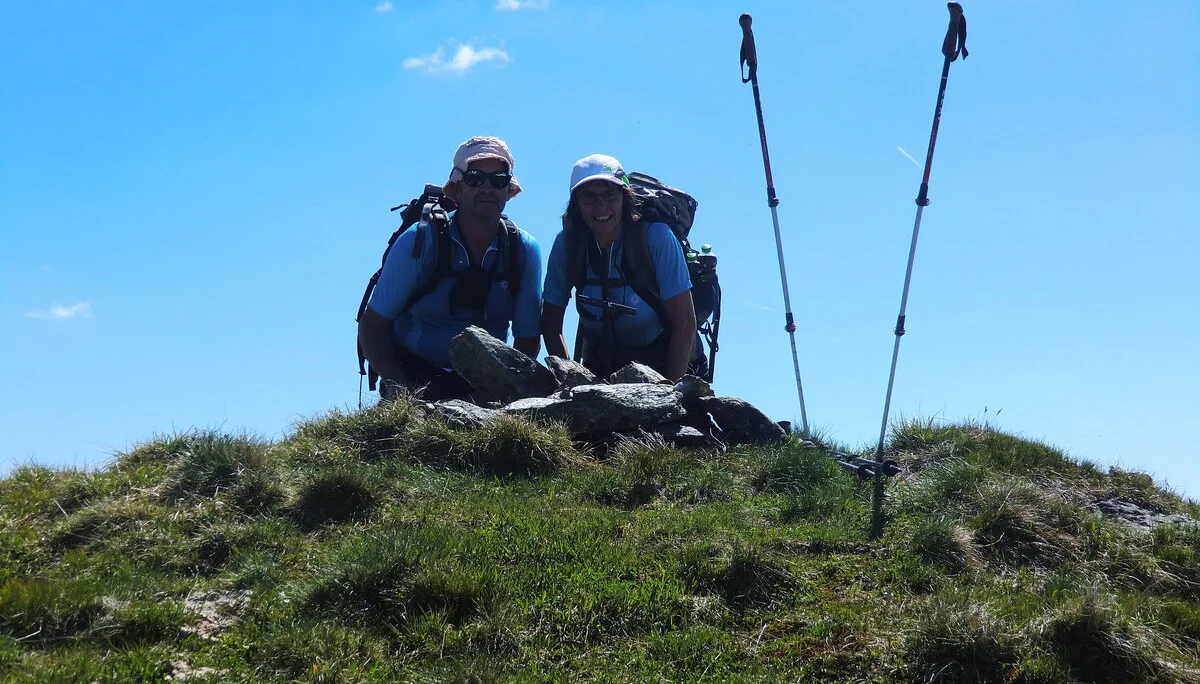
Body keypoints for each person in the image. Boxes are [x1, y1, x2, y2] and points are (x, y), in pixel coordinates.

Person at [358, 136, 543, 401]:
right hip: (413, 375)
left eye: (499, 179)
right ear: (457, 189)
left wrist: (502, 393)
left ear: (508, 191)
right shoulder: (420, 241)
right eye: (475, 178)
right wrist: (398, 385)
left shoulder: (523, 250)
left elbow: (527, 338)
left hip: (485, 385)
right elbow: (373, 323)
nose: (487, 187)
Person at [542, 154, 696, 381]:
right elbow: (550, 322)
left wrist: (669, 397)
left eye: (610, 194)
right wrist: (568, 380)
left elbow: (685, 325)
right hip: (600, 363)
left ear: (625, 197)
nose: (601, 206)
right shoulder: (567, 245)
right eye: (589, 197)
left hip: (667, 362)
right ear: (576, 203)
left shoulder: (656, 238)